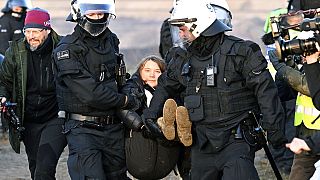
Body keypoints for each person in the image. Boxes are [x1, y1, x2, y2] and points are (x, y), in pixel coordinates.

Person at [143, 0, 287, 179]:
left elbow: (266, 91)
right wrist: (150, 115)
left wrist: (274, 130)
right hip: (201, 143)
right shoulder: (183, 58)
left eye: (182, 28)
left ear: (198, 25)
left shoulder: (241, 51)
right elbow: (166, 85)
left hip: (237, 139)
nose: (180, 34)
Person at [52, 0, 134, 179]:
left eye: (100, 14)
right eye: (92, 14)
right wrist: (125, 101)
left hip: (113, 127)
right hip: (83, 129)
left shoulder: (111, 41)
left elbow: (119, 79)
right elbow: (90, 93)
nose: (97, 18)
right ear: (79, 14)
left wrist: (130, 90)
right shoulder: (67, 49)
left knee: (118, 176)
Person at [0, 7, 67, 180]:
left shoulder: (63, 49)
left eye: (36, 31)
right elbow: (4, 82)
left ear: (47, 30)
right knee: (36, 168)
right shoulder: (14, 52)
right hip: (28, 120)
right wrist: (3, 96)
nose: (31, 36)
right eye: (27, 31)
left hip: (56, 117)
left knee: (44, 170)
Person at [119, 55, 190, 179]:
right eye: (147, 70)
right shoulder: (131, 88)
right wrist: (143, 126)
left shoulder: (172, 91)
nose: (152, 75)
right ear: (140, 72)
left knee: (174, 111)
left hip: (166, 148)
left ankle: (178, 130)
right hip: (141, 141)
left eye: (157, 71)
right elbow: (125, 110)